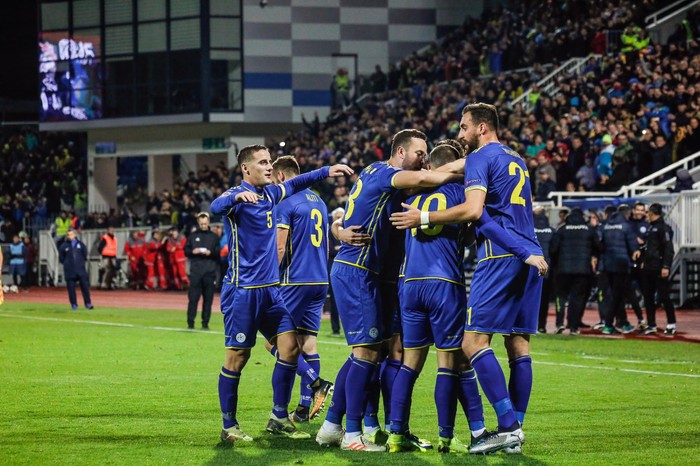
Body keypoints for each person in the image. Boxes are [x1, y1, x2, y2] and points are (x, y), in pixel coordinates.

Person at [390, 103, 548, 455]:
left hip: (499, 256)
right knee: (518, 346)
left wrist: (422, 216)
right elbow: (452, 170)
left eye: (464, 127)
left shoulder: (477, 159)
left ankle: (508, 427)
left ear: (481, 128)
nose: (461, 134)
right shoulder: (515, 159)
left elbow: (475, 210)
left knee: (472, 343)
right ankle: (513, 435)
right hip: (531, 253)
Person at [316, 129, 464, 452]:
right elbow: (423, 179)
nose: (422, 160)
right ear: (400, 153)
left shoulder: (376, 174)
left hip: (376, 275)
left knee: (373, 352)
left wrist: (338, 230)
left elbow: (345, 215)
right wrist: (466, 168)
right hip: (358, 271)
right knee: (367, 353)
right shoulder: (387, 174)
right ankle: (352, 433)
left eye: (426, 155)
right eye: (418, 153)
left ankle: (336, 424)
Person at [210, 144, 352, 443]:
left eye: (270, 162)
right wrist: (235, 197)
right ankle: (229, 426)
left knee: (290, 348)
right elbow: (215, 207)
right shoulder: (236, 197)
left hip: (271, 293)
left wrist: (327, 171)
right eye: (262, 162)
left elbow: (298, 181)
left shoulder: (272, 194)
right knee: (238, 357)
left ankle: (278, 417)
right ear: (246, 168)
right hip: (243, 291)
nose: (268, 167)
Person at [385, 141, 485, 454]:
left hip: (410, 284)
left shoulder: (413, 194)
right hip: (444, 283)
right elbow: (469, 237)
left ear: (430, 166)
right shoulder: (461, 192)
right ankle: (446, 437)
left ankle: (395, 434)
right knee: (448, 364)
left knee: (409, 364)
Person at [271, 155, 331, 423]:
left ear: (281, 176)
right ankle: (304, 408)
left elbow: (280, 246)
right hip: (319, 279)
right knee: (308, 341)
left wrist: (271, 277)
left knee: (273, 341)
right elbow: (325, 245)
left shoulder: (286, 202)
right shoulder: (319, 201)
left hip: (294, 280)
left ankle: (316, 382)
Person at [550, 208, 600, 334]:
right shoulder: (589, 230)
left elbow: (553, 250)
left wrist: (557, 264)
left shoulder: (561, 229)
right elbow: (598, 247)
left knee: (561, 296)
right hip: (582, 270)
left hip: (563, 270)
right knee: (576, 298)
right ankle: (573, 326)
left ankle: (559, 323)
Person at [600, 205, 639, 335]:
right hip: (621, 265)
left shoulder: (606, 226)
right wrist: (635, 253)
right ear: (627, 215)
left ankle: (623, 323)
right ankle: (608, 324)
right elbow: (633, 245)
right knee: (617, 296)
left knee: (616, 295)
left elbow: (601, 245)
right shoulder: (626, 226)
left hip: (608, 265)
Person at [639, 203, 677, 336]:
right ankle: (651, 325)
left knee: (664, 296)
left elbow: (668, 248)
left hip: (659, 267)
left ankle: (671, 324)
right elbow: (649, 248)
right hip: (649, 267)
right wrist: (643, 261)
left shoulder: (663, 228)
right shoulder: (651, 228)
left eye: (647, 212)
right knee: (648, 296)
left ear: (652, 213)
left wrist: (666, 266)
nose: (646, 215)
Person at [184, 212, 219, 330]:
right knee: (193, 299)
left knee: (208, 300)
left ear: (208, 222)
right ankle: (190, 323)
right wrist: (193, 251)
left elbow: (218, 253)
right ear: (198, 223)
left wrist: (211, 253)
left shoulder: (214, 237)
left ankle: (205, 323)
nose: (203, 225)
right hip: (196, 272)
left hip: (209, 271)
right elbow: (186, 250)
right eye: (201, 224)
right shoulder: (192, 236)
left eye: (205, 223)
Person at [58, 228, 93, 310]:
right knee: (71, 289)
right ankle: (74, 304)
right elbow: (61, 258)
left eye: (71, 234)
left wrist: (80, 263)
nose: (69, 236)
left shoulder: (81, 245)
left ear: (75, 235)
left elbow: (84, 255)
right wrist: (67, 264)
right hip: (69, 271)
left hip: (80, 270)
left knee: (85, 287)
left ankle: (88, 303)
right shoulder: (63, 246)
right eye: (68, 235)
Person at [533, 207, 554, 333]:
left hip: (529, 269)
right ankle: (541, 326)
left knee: (526, 299)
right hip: (546, 269)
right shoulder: (552, 231)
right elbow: (554, 250)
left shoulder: (529, 230)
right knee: (544, 301)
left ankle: (525, 326)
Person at [326, 207, 344, 336]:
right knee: (334, 300)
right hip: (333, 267)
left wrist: (339, 248)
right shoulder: (329, 232)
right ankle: (335, 329)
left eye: (341, 217)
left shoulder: (350, 230)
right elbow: (331, 251)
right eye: (337, 217)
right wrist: (343, 248)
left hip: (346, 268)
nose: (339, 219)